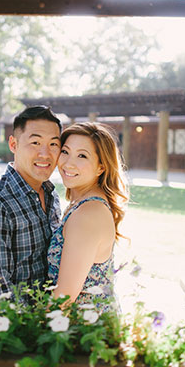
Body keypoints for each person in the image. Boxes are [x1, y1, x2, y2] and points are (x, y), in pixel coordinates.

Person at [0, 105, 62, 300]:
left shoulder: (52, 196)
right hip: (9, 327)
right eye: (35, 142)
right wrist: (38, 329)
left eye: (53, 144)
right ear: (13, 144)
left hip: (49, 318)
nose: (45, 153)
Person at [47, 122, 128, 312]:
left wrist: (27, 334)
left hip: (86, 332)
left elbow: (63, 299)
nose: (68, 163)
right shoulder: (83, 204)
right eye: (65, 151)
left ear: (101, 167)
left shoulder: (88, 215)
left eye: (82, 156)